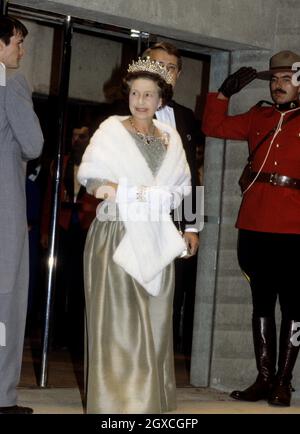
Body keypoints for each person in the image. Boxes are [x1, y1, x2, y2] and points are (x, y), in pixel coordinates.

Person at [77, 57, 191, 413]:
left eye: (149, 95)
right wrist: (135, 194)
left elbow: (186, 187)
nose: (140, 101)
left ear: (161, 100)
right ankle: (116, 406)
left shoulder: (171, 137)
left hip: (157, 236)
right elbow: (92, 180)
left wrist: (190, 226)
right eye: (135, 93)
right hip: (116, 234)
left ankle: (149, 405)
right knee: (119, 324)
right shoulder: (111, 130)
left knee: (154, 322)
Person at [202, 50, 300, 407]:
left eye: (287, 78)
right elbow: (213, 126)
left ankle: (283, 383)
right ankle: (263, 379)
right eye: (274, 79)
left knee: (294, 306)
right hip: (255, 223)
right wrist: (223, 94)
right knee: (260, 303)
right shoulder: (258, 116)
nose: (278, 85)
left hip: (295, 227)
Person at [142, 42, 201, 355]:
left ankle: (155, 379)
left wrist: (192, 226)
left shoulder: (186, 118)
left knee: (168, 301)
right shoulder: (121, 112)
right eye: (158, 65)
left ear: (178, 75)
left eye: (171, 67)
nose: (164, 72)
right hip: (133, 223)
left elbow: (192, 175)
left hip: (173, 226)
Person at [0, 16, 44, 414]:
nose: (21, 50)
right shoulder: (12, 83)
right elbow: (33, 143)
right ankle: (1, 396)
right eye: (16, 41)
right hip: (4, 212)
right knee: (5, 303)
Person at [41, 126, 99, 355]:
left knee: (80, 285)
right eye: (74, 136)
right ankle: (55, 337)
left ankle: (77, 339)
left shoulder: (97, 164)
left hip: (85, 229)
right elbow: (48, 198)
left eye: (81, 136)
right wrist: (46, 230)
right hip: (63, 228)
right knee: (57, 282)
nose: (76, 140)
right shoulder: (60, 163)